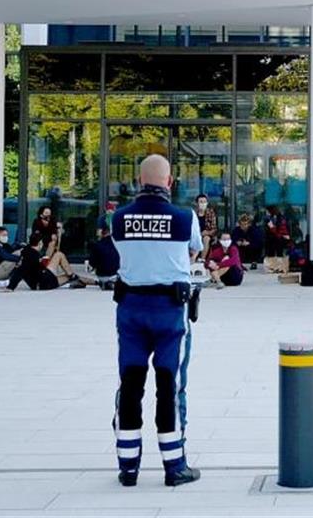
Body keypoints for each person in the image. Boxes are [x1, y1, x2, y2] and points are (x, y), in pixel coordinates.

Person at [110, 154, 203, 488]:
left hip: (131, 309)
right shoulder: (184, 217)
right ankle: (174, 465)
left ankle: (128, 467)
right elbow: (193, 252)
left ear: (138, 180)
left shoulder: (118, 218)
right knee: (170, 385)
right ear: (169, 182)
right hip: (170, 312)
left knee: (131, 384)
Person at [3, 232, 89, 291]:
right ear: (40, 243)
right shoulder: (31, 255)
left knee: (69, 273)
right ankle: (94, 282)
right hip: (43, 283)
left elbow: (21, 269)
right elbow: (21, 270)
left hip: (43, 277)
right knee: (68, 272)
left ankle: (85, 281)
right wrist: (11, 287)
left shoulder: (27, 251)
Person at [264, 206, 291, 272]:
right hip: (271, 239)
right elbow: (268, 229)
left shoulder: (282, 218)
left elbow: (283, 229)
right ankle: (272, 267)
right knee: (271, 253)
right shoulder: (268, 219)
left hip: (280, 239)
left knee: (280, 253)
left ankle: (280, 267)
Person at [193, 195, 218, 266]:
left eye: (204, 202)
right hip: (195, 234)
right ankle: (192, 258)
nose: (203, 204)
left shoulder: (210, 212)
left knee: (206, 238)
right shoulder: (193, 213)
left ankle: (202, 259)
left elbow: (214, 229)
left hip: (207, 235)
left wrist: (207, 232)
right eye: (201, 202)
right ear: (197, 203)